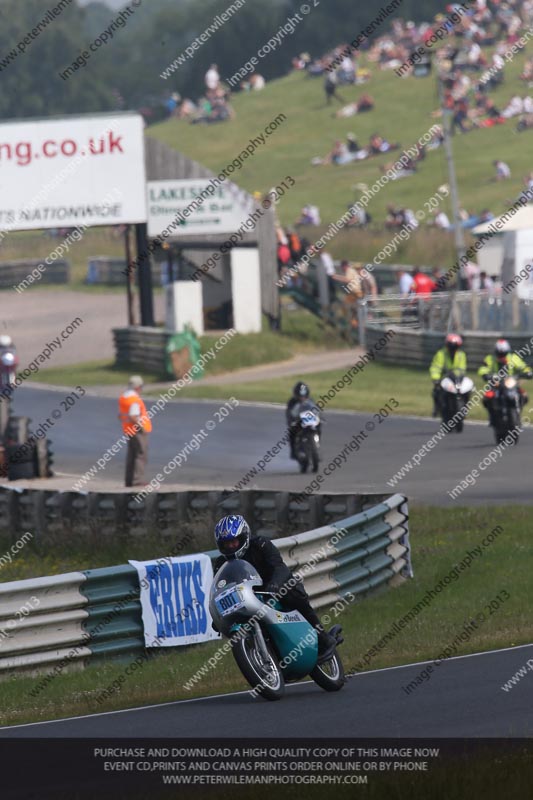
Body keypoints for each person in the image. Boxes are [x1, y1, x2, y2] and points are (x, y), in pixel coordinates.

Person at [213, 515, 338, 660]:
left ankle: (323, 638)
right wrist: (216, 616)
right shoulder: (221, 563)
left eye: (233, 542)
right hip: (247, 599)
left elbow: (279, 566)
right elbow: (219, 590)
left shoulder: (261, 544)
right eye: (226, 544)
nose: (230, 547)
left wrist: (275, 584)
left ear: (244, 537)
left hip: (272, 587)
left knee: (292, 593)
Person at [478, 339, 532, 425]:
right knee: (487, 397)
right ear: (496, 352)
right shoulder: (490, 358)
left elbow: (523, 366)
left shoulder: (513, 358)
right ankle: (492, 416)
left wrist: (527, 372)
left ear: (507, 352)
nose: (501, 356)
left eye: (504, 353)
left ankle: (518, 412)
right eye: (499, 353)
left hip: (510, 383)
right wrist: (485, 374)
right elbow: (483, 368)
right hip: (496, 383)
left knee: (524, 395)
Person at [118, 375, 152, 487]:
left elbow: (121, 415)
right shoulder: (134, 399)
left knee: (131, 455)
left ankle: (129, 480)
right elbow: (133, 416)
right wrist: (141, 426)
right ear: (137, 387)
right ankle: (137, 480)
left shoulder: (124, 397)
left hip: (128, 429)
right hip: (137, 431)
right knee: (141, 454)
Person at [429, 334, 467, 417]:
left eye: (455, 346)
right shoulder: (441, 354)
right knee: (436, 390)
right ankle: (437, 407)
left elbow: (462, 369)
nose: (453, 349)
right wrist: (436, 378)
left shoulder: (461, 355)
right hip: (444, 378)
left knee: (467, 389)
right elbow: (436, 367)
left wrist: (460, 377)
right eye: (451, 346)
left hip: (457, 378)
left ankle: (464, 407)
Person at [286, 381, 319, 459]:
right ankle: (293, 451)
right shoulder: (292, 402)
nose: (302, 397)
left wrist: (319, 417)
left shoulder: (310, 400)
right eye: (300, 396)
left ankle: (317, 443)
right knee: (292, 433)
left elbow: (316, 410)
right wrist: (291, 421)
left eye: (304, 396)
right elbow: (288, 413)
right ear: (296, 395)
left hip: (309, 420)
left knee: (319, 427)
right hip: (298, 421)